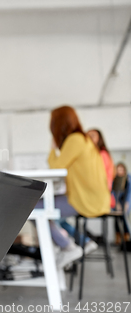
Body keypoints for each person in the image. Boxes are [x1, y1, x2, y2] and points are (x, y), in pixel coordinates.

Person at [37, 106, 110, 269]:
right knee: (40, 209)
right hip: (91, 198)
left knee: (31, 208)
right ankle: (65, 245)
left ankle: (67, 247)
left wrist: (52, 148)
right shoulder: (82, 140)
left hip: (85, 200)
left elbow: (55, 167)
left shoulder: (75, 139)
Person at [112, 162, 131, 244]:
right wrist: (116, 204)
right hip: (117, 202)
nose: (119, 171)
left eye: (121, 169)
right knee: (116, 220)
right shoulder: (114, 179)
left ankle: (127, 240)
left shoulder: (128, 179)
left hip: (125, 202)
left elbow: (129, 193)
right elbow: (112, 193)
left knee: (124, 219)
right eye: (118, 169)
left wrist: (127, 203)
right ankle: (118, 240)